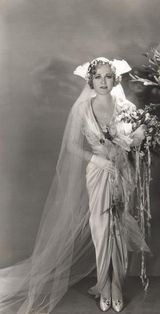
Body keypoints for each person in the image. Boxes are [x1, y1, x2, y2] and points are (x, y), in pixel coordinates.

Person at [0, 57, 149, 314]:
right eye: (99, 77)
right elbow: (71, 146)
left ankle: (117, 285)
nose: (103, 82)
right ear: (90, 80)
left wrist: (137, 137)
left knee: (119, 228)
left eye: (108, 77)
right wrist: (97, 159)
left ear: (115, 80)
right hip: (97, 172)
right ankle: (104, 285)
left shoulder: (126, 105)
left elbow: (140, 133)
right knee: (101, 229)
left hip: (123, 173)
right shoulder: (82, 109)